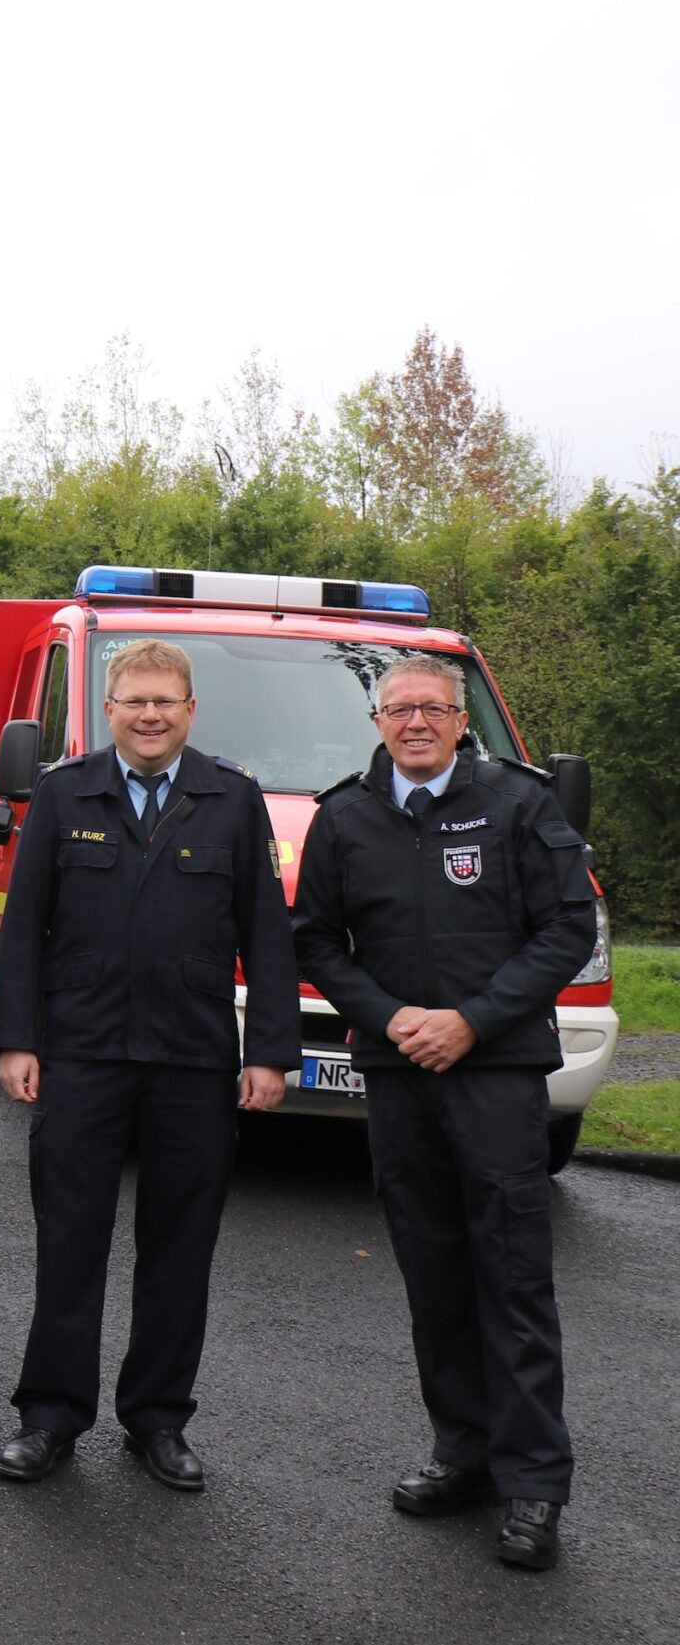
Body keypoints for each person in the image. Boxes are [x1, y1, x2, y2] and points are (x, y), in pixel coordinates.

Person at [292, 655, 597, 1572]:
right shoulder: (344, 814)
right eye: (399, 708)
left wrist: (473, 1018)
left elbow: (566, 929)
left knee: (510, 1274)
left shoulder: (517, 802)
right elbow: (314, 938)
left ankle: (535, 1481)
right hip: (397, 1072)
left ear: (462, 720)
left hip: (495, 1071)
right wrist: (388, 1017)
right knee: (432, 1271)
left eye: (433, 708)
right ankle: (463, 1454)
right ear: (377, 720)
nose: (415, 721)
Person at [0, 638, 295, 1491]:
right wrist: (18, 1037)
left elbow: (267, 934)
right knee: (70, 1241)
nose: (150, 714)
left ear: (191, 711)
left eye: (166, 701)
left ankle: (158, 1419)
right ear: (109, 708)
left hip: (193, 1062)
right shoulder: (62, 792)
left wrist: (269, 1050)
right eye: (134, 700)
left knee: (180, 1247)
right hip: (82, 1053)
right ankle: (49, 1416)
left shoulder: (231, 799)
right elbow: (25, 927)